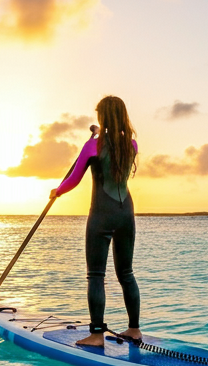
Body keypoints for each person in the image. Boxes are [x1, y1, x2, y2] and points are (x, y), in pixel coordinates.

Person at [50, 96, 141, 348]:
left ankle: (97, 335)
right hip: (126, 214)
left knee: (96, 276)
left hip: (102, 215)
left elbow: (74, 179)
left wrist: (57, 191)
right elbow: (114, 149)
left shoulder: (92, 146)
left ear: (103, 117)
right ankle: (134, 329)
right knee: (126, 274)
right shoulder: (131, 145)